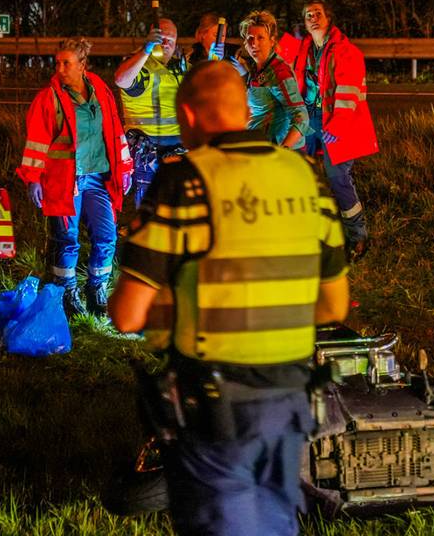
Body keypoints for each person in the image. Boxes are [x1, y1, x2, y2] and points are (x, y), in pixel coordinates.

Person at [110, 60, 350, 535]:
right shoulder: (306, 175)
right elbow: (333, 306)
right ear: (244, 111)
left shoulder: (186, 181)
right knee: (276, 522)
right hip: (290, 399)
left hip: (216, 406)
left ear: (188, 117)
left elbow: (127, 313)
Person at [17, 37, 134, 317]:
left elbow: (114, 131)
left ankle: (97, 290)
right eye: (57, 63)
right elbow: (36, 141)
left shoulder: (100, 91)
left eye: (66, 63)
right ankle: (67, 293)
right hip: (65, 182)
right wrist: (33, 178)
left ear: (83, 65)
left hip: (98, 178)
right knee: (67, 240)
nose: (59, 69)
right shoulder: (49, 98)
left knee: (107, 237)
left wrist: (125, 167)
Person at [291, 0, 379, 262]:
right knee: (298, 169)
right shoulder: (303, 48)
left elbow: (348, 91)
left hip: (335, 120)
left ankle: (358, 235)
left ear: (328, 18)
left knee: (337, 175)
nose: (313, 18)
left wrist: (337, 125)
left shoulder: (345, 51)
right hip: (309, 118)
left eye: (317, 13)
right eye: (308, 15)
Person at [114, 17, 186, 207]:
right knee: (151, 209)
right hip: (147, 152)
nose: (166, 43)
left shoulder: (180, 67)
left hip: (177, 150)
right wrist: (146, 50)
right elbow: (121, 80)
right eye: (162, 38)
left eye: (171, 39)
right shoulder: (141, 66)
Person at [237, 10, 309, 150]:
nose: (254, 43)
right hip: (258, 146)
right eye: (250, 38)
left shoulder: (279, 71)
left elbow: (302, 118)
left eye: (260, 38)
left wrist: (282, 151)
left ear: (272, 41)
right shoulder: (257, 68)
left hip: (275, 151)